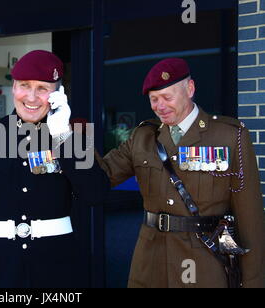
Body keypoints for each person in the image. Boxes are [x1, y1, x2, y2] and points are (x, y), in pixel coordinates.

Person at [0, 50, 110, 288]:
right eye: (24, 85)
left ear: (59, 94)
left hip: (55, 269)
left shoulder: (73, 140)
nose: (31, 97)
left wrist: (63, 135)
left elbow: (97, 194)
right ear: (13, 88)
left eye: (43, 88)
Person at [96, 58, 265, 288]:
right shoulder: (143, 137)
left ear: (190, 89)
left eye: (167, 97)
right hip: (150, 260)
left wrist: (253, 281)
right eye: (153, 99)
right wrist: (69, 135)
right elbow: (100, 176)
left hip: (203, 263)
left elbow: (250, 218)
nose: (160, 106)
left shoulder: (229, 136)